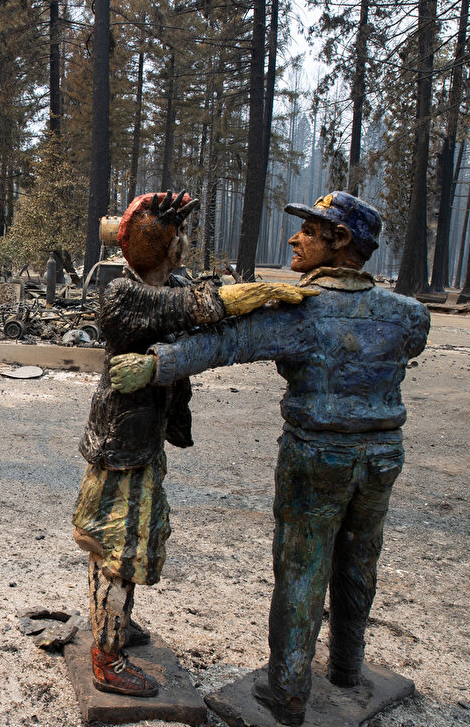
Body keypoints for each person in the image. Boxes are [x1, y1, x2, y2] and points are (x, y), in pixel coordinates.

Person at [108, 191, 430, 724]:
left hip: (317, 454)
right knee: (359, 558)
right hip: (382, 454)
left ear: (341, 240)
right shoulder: (407, 316)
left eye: (309, 229)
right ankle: (348, 668)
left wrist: (155, 366)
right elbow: (408, 346)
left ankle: (286, 692)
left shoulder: (305, 312)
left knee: (303, 564)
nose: (294, 237)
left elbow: (226, 344)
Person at [75, 191, 317, 696]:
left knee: (139, 536)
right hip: (124, 443)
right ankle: (107, 657)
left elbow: (199, 299)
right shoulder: (123, 294)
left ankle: (116, 624)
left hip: (143, 439)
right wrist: (263, 293)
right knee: (119, 548)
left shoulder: (170, 282)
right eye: (173, 238)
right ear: (171, 248)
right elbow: (196, 306)